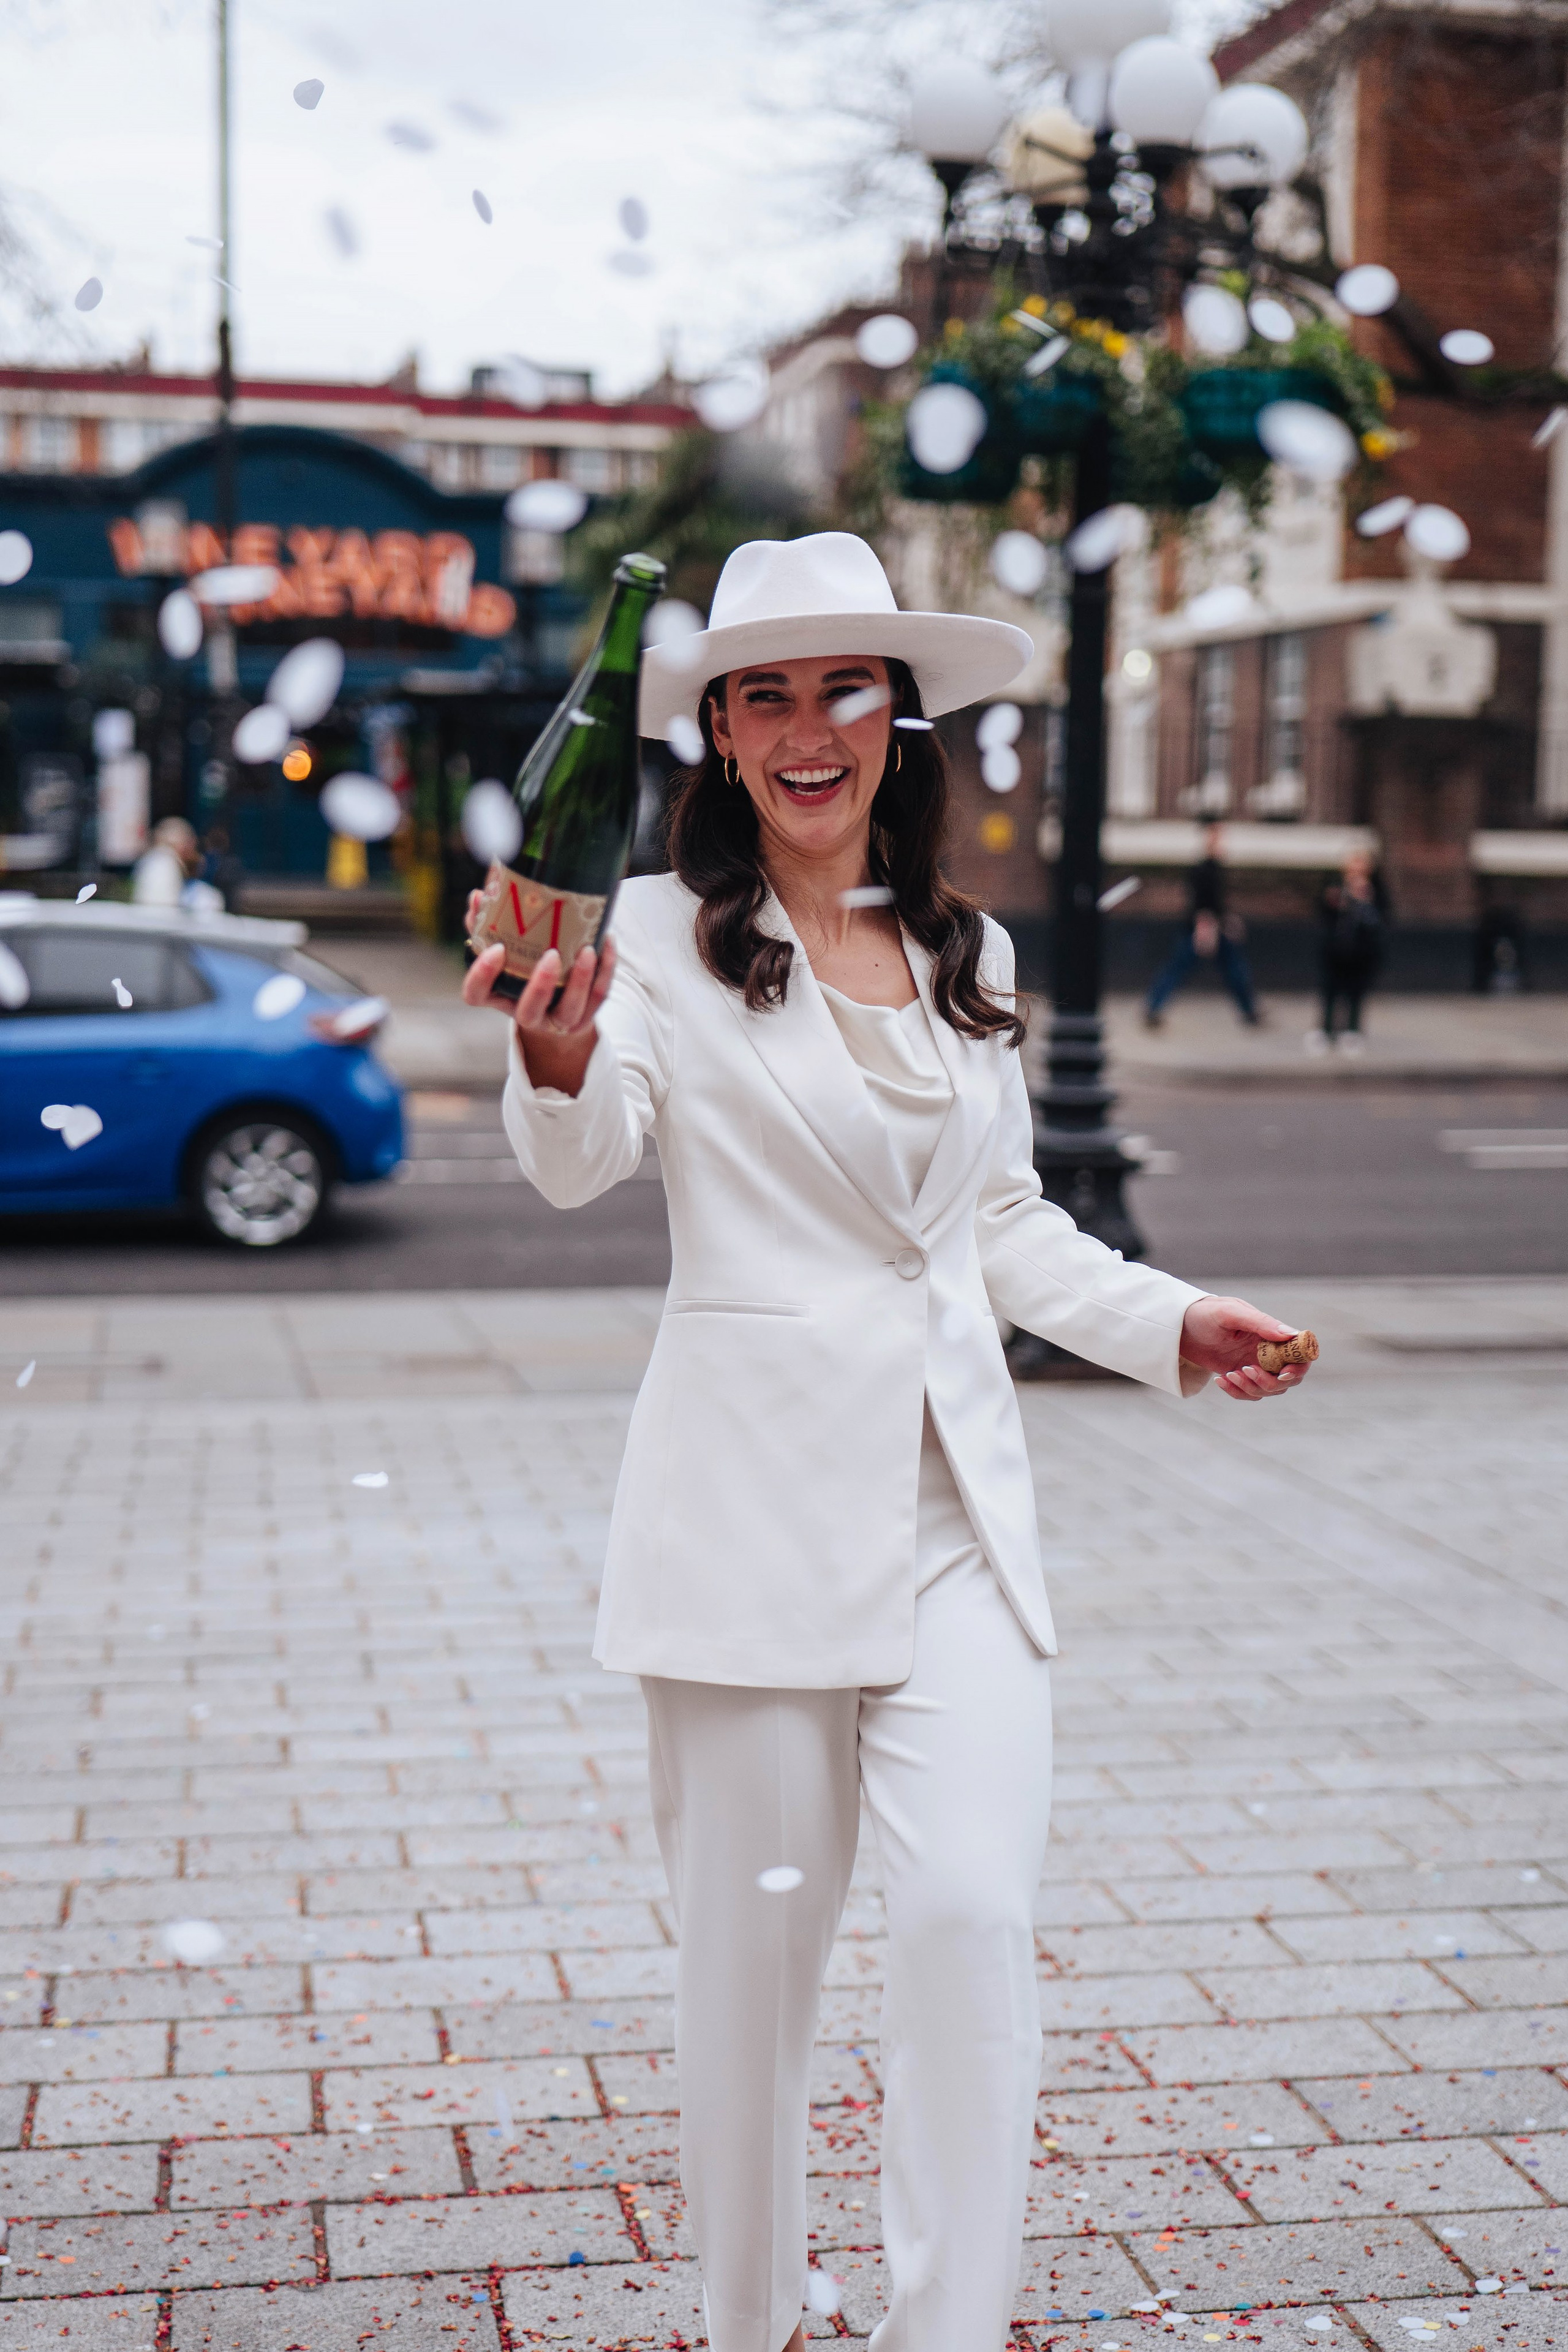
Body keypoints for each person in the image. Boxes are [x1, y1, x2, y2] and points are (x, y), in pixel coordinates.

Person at [462, 533, 1313, 2352]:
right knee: (750, 1993)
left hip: (953, 1535)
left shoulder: (963, 948)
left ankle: (950, 2323)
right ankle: (754, 2314)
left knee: (967, 1925)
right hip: (749, 1534)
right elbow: (582, 1151)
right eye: (758, 693)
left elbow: (998, 1225)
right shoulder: (646, 944)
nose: (801, 725)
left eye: (837, 684)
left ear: (891, 720)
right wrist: (548, 1055)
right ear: (712, 739)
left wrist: (1171, 1318)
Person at [1144, 821, 1260, 1028]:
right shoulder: (1203, 870)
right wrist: (1205, 928)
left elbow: (1216, 903)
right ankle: (1153, 1008)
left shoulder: (1215, 869)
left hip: (1214, 928)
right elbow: (1201, 903)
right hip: (1203, 928)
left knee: (1233, 970)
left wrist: (1227, 920)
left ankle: (1250, 1011)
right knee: (1181, 968)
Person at [1310, 850, 1388, 1055]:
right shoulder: (1336, 888)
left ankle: (1352, 1031)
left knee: (1356, 994)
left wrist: (1365, 901)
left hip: (1361, 955)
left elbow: (1381, 919)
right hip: (1335, 953)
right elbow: (1323, 914)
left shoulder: (1374, 891)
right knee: (1330, 993)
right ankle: (1326, 1031)